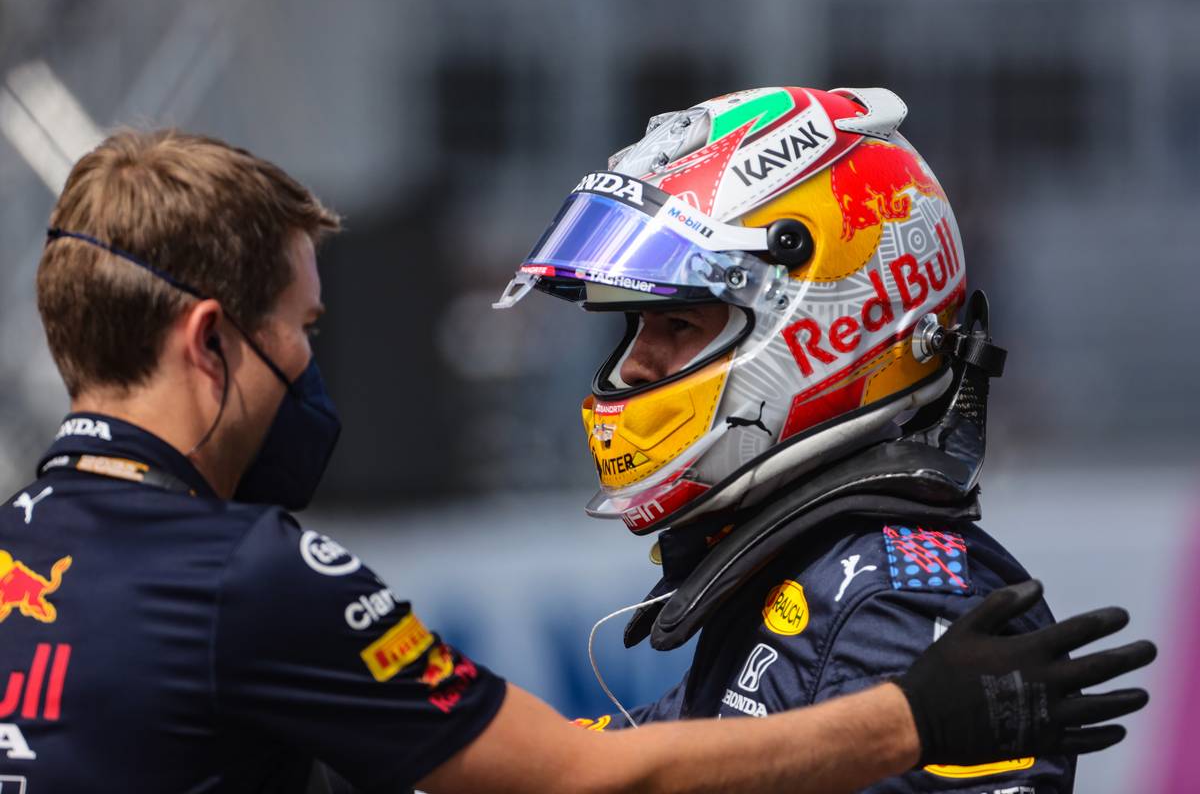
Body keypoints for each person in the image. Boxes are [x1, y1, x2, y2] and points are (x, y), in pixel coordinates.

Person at [0, 129, 1153, 794]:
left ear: (831, 319)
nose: (630, 372)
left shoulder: (900, 585)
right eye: (303, 329)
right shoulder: (248, 573)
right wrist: (916, 716)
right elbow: (569, 779)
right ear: (212, 338)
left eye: (668, 325)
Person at [494, 85, 1135, 792]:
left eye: (677, 326)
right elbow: (648, 765)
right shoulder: (808, 567)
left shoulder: (887, 606)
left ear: (820, 328)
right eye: (633, 327)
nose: (636, 367)